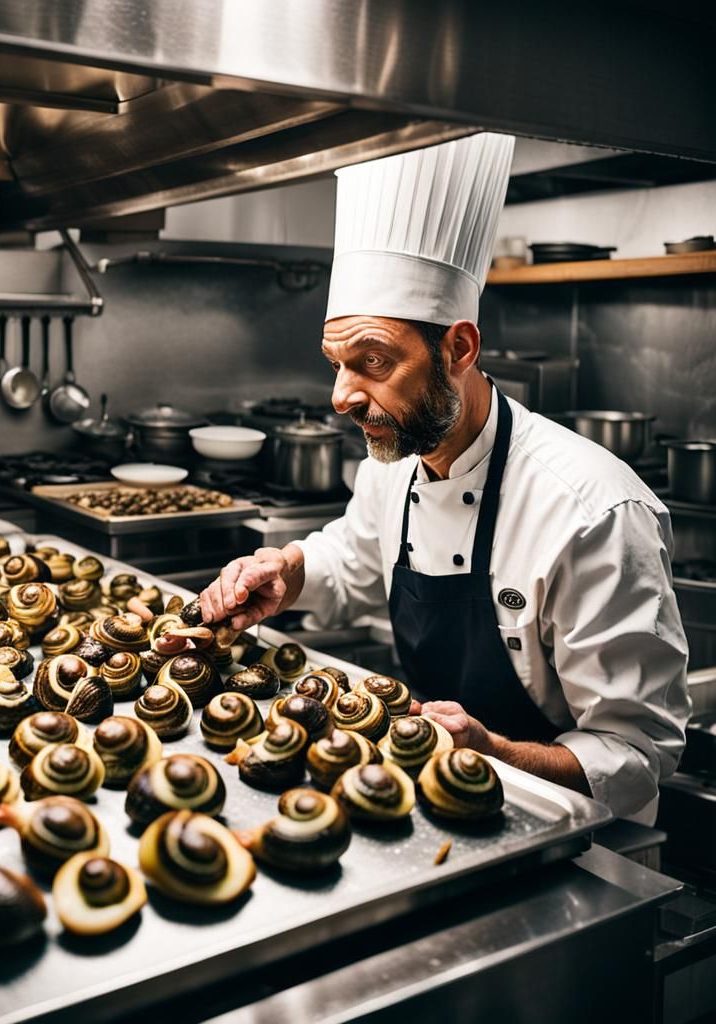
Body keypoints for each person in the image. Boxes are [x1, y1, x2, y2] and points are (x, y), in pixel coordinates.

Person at [201, 133, 690, 824]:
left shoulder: (593, 512)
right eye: (335, 363)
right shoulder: (399, 456)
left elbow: (638, 751)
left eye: (371, 362)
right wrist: (290, 570)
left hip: (573, 836)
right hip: (433, 804)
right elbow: (357, 557)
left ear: (458, 347)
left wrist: (498, 753)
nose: (340, 396)